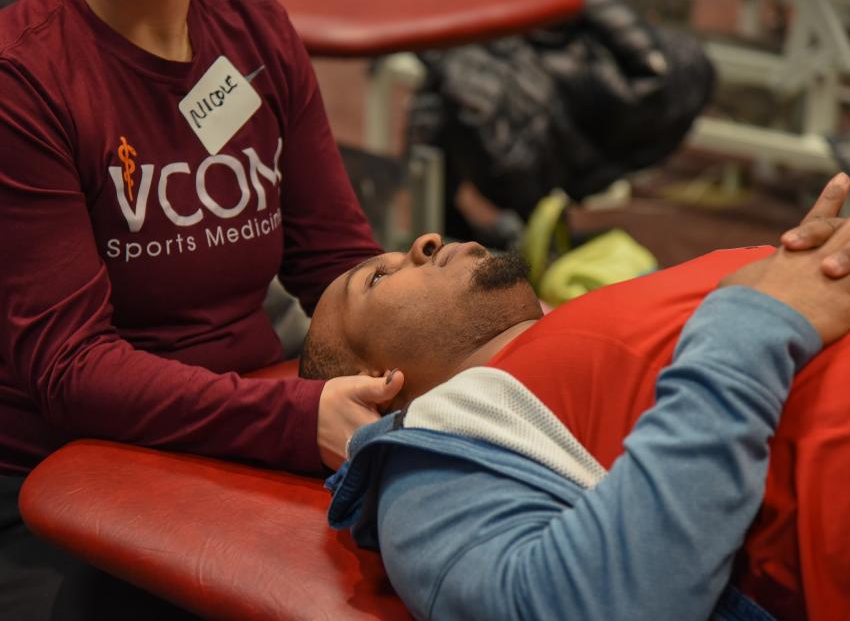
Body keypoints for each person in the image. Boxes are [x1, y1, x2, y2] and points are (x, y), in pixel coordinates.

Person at [0, 0, 403, 617]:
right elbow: (72, 370)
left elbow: (331, 262)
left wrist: (440, 340)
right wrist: (296, 420)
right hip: (63, 476)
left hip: (247, 442)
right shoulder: (22, 76)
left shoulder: (256, 36)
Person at [303, 174, 850, 620]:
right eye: (375, 280)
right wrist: (757, 323)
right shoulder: (430, 462)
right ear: (374, 383)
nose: (424, 243)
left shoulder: (576, 330)